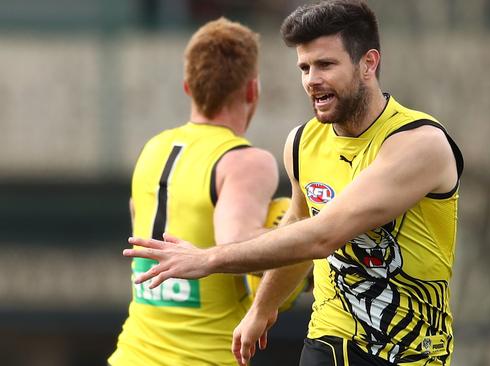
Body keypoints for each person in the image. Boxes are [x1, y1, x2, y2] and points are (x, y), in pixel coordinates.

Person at [124, 1, 464, 365]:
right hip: (330, 339)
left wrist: (210, 258)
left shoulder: (419, 144)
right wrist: (263, 307)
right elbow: (297, 227)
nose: (311, 79)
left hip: (412, 352)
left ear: (369, 63)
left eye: (325, 65)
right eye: (304, 67)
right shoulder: (302, 144)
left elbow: (323, 235)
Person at [109, 17, 292, 366]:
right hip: (203, 357)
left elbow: (139, 228)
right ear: (253, 90)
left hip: (130, 354)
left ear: (187, 87)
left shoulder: (153, 148)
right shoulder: (244, 160)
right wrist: (306, 238)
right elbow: (237, 243)